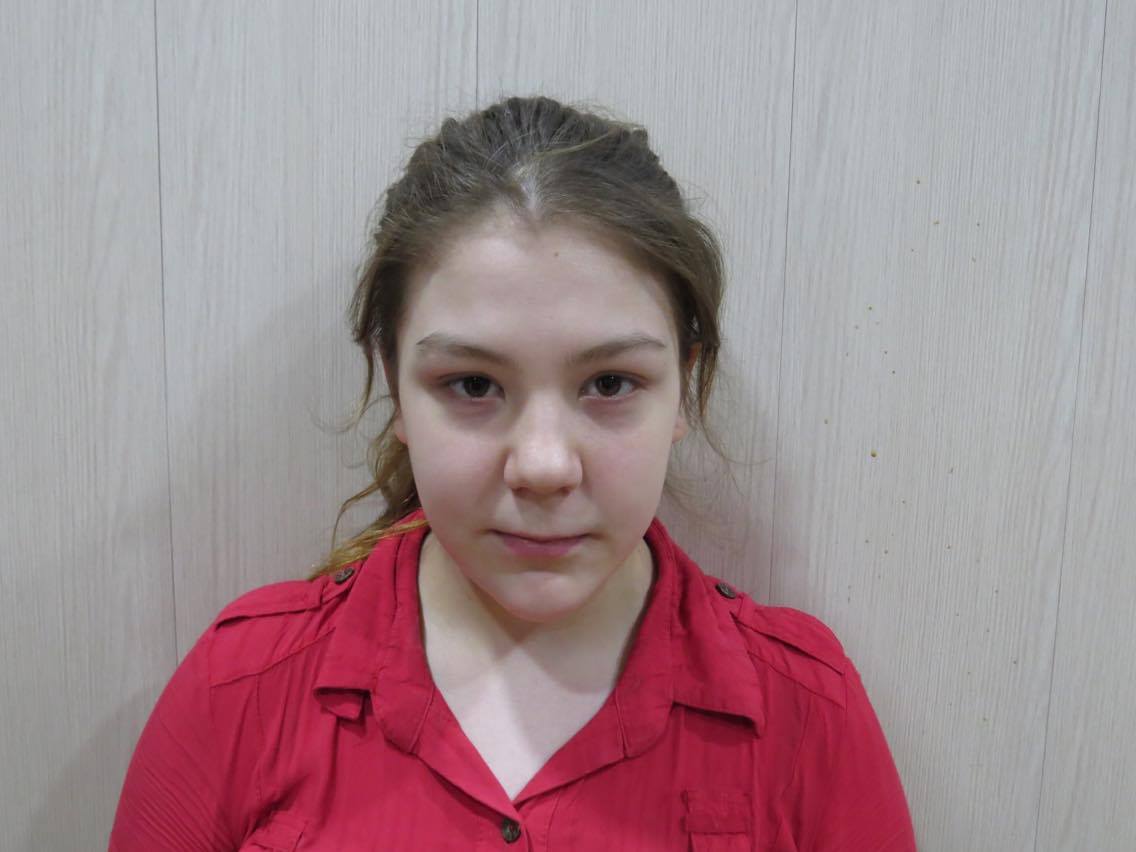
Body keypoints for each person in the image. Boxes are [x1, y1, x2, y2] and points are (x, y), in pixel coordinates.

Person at [109, 95, 917, 850]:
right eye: (473, 385)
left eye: (610, 384)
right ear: (395, 384)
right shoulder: (241, 691)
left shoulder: (806, 714)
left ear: (684, 384)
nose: (542, 466)